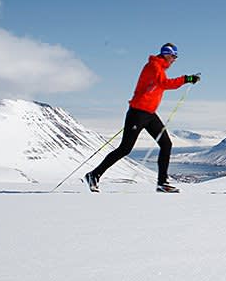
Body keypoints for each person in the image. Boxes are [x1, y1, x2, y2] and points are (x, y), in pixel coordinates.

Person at [84, 43, 200, 193]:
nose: (174, 60)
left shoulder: (160, 68)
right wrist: (186, 78)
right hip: (138, 113)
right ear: (166, 54)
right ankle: (94, 175)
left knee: (166, 144)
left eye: (175, 57)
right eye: (173, 56)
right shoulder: (153, 66)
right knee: (125, 149)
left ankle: (162, 183)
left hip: (150, 114)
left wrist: (186, 79)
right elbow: (164, 83)